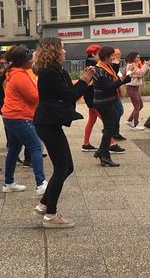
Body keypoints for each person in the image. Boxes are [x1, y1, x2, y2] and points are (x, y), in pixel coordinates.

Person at [33, 37, 94, 229]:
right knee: (62, 167)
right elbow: (70, 95)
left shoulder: (56, 71)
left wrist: (81, 81)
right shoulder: (49, 73)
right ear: (54, 50)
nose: (65, 51)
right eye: (62, 48)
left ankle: (44, 204)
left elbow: (68, 91)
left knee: (67, 167)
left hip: (50, 122)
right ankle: (50, 214)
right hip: (47, 123)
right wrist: (84, 82)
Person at [1, 46, 47, 195]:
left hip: (11, 116)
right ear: (23, 61)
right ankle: (41, 183)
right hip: (20, 116)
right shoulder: (20, 75)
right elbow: (34, 97)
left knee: (14, 150)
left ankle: (9, 182)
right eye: (30, 59)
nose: (32, 61)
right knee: (35, 147)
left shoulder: (15, 73)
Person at [92, 46, 131, 167]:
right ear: (106, 57)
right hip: (103, 102)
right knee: (109, 129)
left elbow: (113, 83)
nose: (113, 58)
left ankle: (101, 151)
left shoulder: (107, 67)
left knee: (110, 127)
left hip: (109, 101)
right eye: (111, 56)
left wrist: (124, 79)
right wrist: (122, 80)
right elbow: (108, 87)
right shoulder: (99, 70)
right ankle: (105, 156)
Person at [82, 44, 102, 152]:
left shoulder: (89, 63)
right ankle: (111, 144)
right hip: (93, 95)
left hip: (89, 95)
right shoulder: (95, 64)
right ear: (95, 53)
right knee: (105, 120)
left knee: (92, 119)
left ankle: (86, 143)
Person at [125, 52, 149, 130]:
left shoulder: (134, 65)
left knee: (140, 105)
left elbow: (140, 74)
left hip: (135, 87)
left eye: (139, 57)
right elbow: (141, 73)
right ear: (133, 58)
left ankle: (129, 120)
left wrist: (144, 67)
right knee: (137, 106)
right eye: (137, 57)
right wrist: (145, 65)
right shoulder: (131, 65)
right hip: (131, 87)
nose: (139, 59)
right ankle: (136, 124)